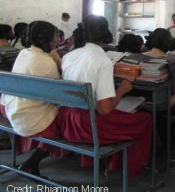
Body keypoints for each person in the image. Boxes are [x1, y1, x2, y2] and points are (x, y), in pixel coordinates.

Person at [59, 15, 152, 177]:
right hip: (89, 127)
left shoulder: (68, 56)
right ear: (105, 32)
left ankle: (110, 162)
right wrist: (122, 89)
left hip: (67, 120)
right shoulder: (103, 61)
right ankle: (122, 167)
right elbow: (105, 110)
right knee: (144, 119)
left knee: (120, 115)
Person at [0, 21, 62, 176]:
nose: (58, 40)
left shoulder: (24, 52)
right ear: (47, 39)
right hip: (29, 120)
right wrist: (58, 61)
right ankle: (31, 163)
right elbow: (59, 94)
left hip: (12, 109)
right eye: (56, 36)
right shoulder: (47, 61)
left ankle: (30, 163)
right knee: (66, 124)